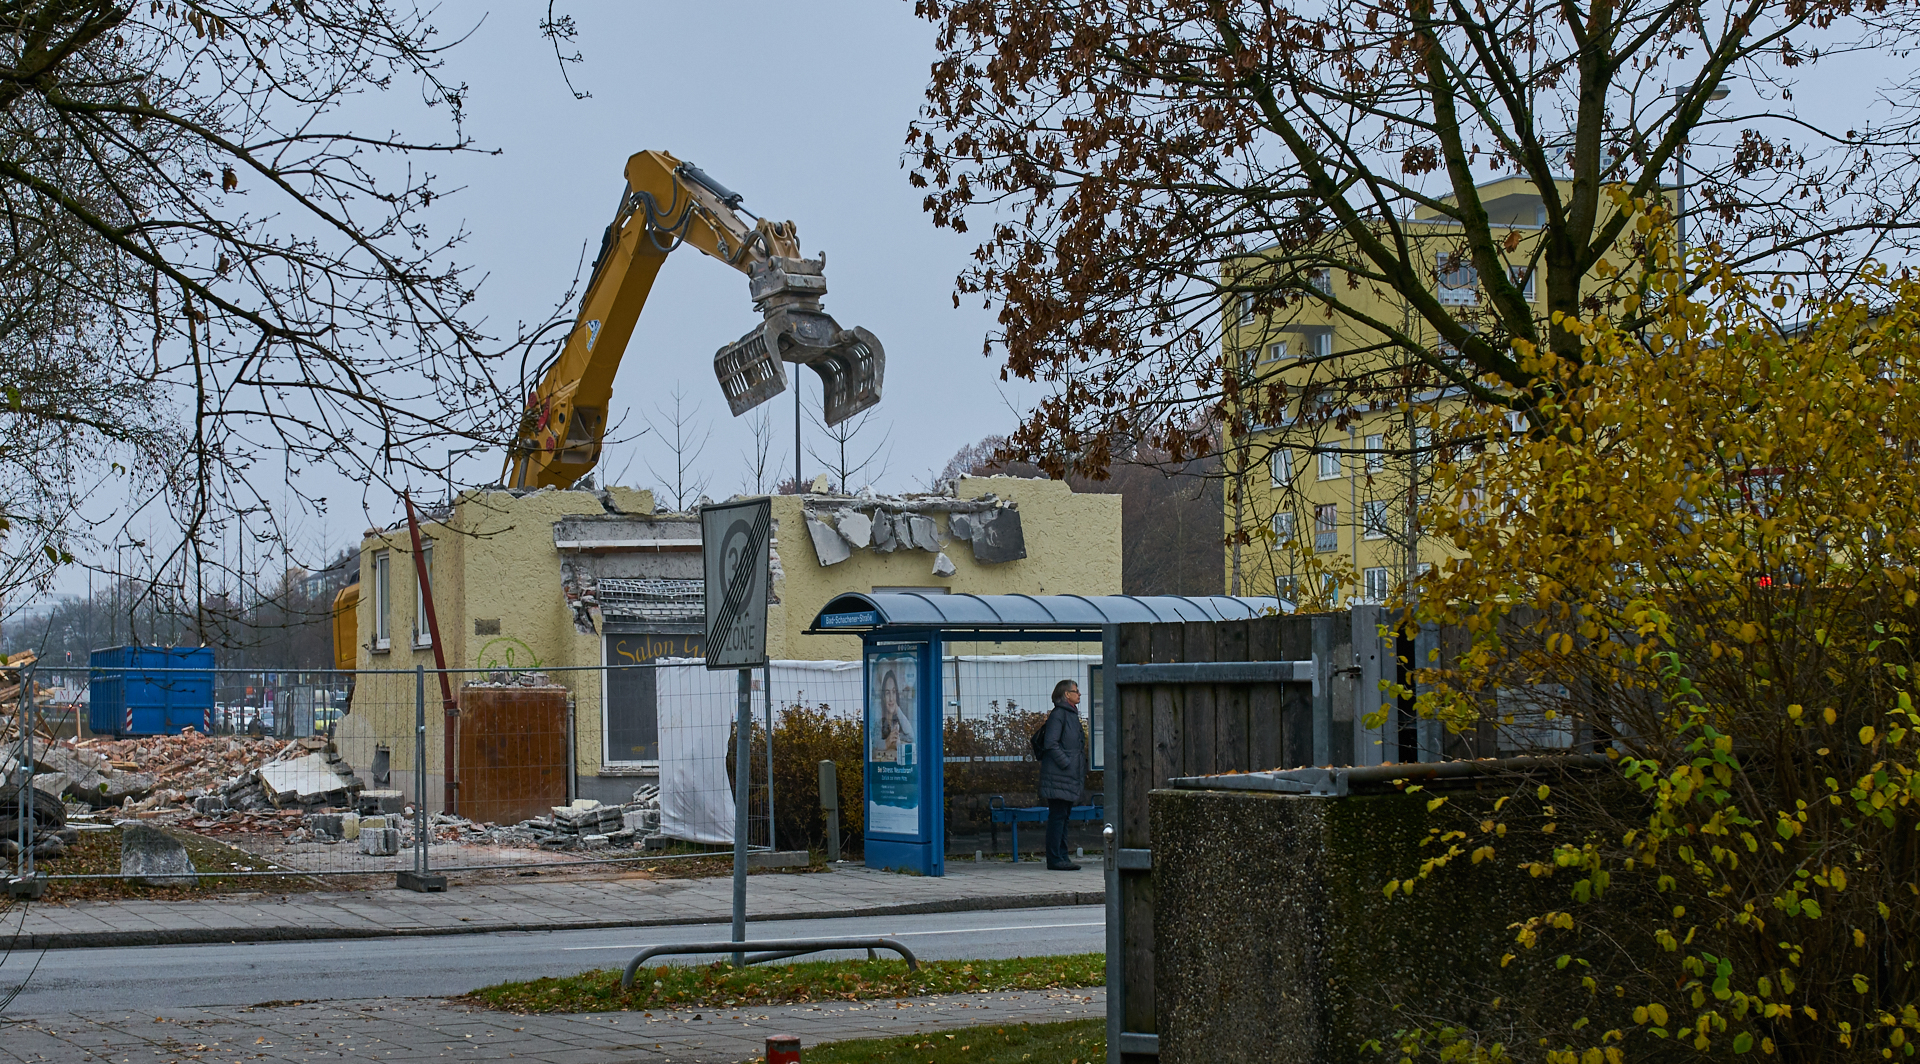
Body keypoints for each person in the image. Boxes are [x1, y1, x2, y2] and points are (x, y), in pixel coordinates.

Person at [1038, 678, 1086, 871]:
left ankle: (1062, 856)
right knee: (1058, 816)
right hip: (1059, 776)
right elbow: (1051, 743)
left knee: (1064, 816)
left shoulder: (1070, 714)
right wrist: (1066, 763)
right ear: (1067, 694)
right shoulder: (1059, 715)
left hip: (1067, 776)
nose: (1079, 694)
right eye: (1076, 691)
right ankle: (1055, 858)